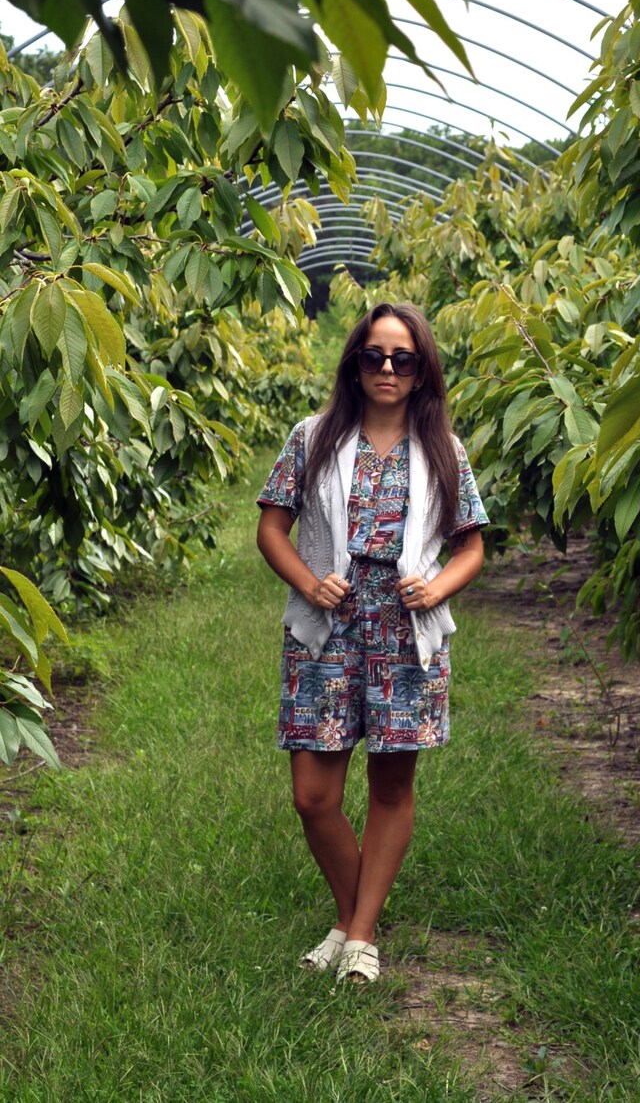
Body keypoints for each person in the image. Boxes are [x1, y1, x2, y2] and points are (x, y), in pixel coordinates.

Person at [256, 302, 488, 984]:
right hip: (327, 628)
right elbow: (272, 528)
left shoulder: (443, 448)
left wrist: (439, 588)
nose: (388, 367)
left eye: (403, 358)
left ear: (421, 374)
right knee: (313, 795)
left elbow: (471, 545)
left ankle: (357, 934)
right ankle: (357, 918)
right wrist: (308, 581)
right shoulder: (315, 436)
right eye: (375, 355)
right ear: (355, 365)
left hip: (404, 633)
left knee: (391, 783)